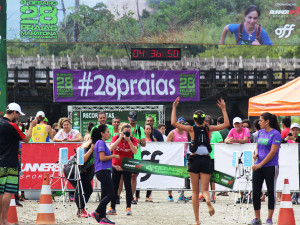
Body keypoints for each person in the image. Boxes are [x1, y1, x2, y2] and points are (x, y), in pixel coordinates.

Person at [171, 97, 229, 225]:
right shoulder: (209, 128)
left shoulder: (191, 129)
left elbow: (174, 123)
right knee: (205, 190)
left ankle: (197, 220)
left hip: (194, 159)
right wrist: (223, 109)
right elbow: (226, 125)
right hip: (206, 160)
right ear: (204, 119)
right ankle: (208, 200)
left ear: (194, 120)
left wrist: (174, 107)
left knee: (194, 192)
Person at [0, 103, 37, 225]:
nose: (19, 117)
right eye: (18, 114)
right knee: (7, 191)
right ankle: (3, 220)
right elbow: (26, 139)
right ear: (14, 112)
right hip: (9, 162)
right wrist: (31, 126)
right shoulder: (12, 125)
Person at [249, 112, 281, 225]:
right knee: (256, 192)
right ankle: (257, 218)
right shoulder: (260, 132)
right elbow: (258, 146)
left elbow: (272, 152)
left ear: (267, 121)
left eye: (261, 120)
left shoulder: (276, 134)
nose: (259, 122)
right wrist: (256, 154)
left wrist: (260, 164)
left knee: (271, 191)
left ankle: (269, 219)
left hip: (270, 166)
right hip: (258, 165)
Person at [89, 125, 119, 225]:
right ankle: (97, 212)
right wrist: (114, 155)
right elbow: (102, 158)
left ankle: (102, 218)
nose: (109, 133)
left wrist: (114, 166)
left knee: (105, 195)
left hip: (103, 170)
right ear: (102, 133)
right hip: (102, 171)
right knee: (111, 194)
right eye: (107, 131)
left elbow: (102, 159)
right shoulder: (100, 142)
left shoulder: (100, 142)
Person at [107, 123, 138, 216]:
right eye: (125, 132)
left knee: (128, 187)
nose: (127, 134)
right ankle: (112, 208)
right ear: (121, 131)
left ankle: (128, 208)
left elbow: (135, 151)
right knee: (114, 186)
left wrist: (129, 141)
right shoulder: (115, 138)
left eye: (129, 132)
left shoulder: (133, 139)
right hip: (116, 165)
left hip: (126, 165)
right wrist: (120, 138)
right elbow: (111, 148)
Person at [63, 140, 95, 218]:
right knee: (80, 189)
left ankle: (81, 209)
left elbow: (91, 166)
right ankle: (81, 210)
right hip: (71, 169)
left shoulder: (97, 152)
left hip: (80, 171)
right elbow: (82, 160)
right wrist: (91, 150)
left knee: (89, 189)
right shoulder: (85, 149)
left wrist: (89, 179)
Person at [166, 117, 189, 202]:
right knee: (171, 175)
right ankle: (169, 195)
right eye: (180, 123)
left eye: (183, 123)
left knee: (183, 176)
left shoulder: (186, 133)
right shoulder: (172, 133)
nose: (181, 125)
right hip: (174, 158)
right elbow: (166, 145)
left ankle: (181, 195)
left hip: (183, 157)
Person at [127, 111, 146, 204]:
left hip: (136, 156)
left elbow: (144, 143)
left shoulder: (140, 129)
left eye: (134, 120)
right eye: (131, 119)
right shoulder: (125, 128)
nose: (132, 121)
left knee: (134, 176)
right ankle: (118, 196)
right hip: (126, 154)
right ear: (128, 119)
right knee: (123, 177)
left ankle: (131, 197)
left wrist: (137, 140)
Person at [204, 115, 223, 202]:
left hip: (213, 157)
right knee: (205, 177)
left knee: (212, 177)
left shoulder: (216, 132)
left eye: (205, 122)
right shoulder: (202, 131)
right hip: (204, 156)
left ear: (208, 123)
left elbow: (221, 144)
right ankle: (206, 195)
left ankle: (213, 195)